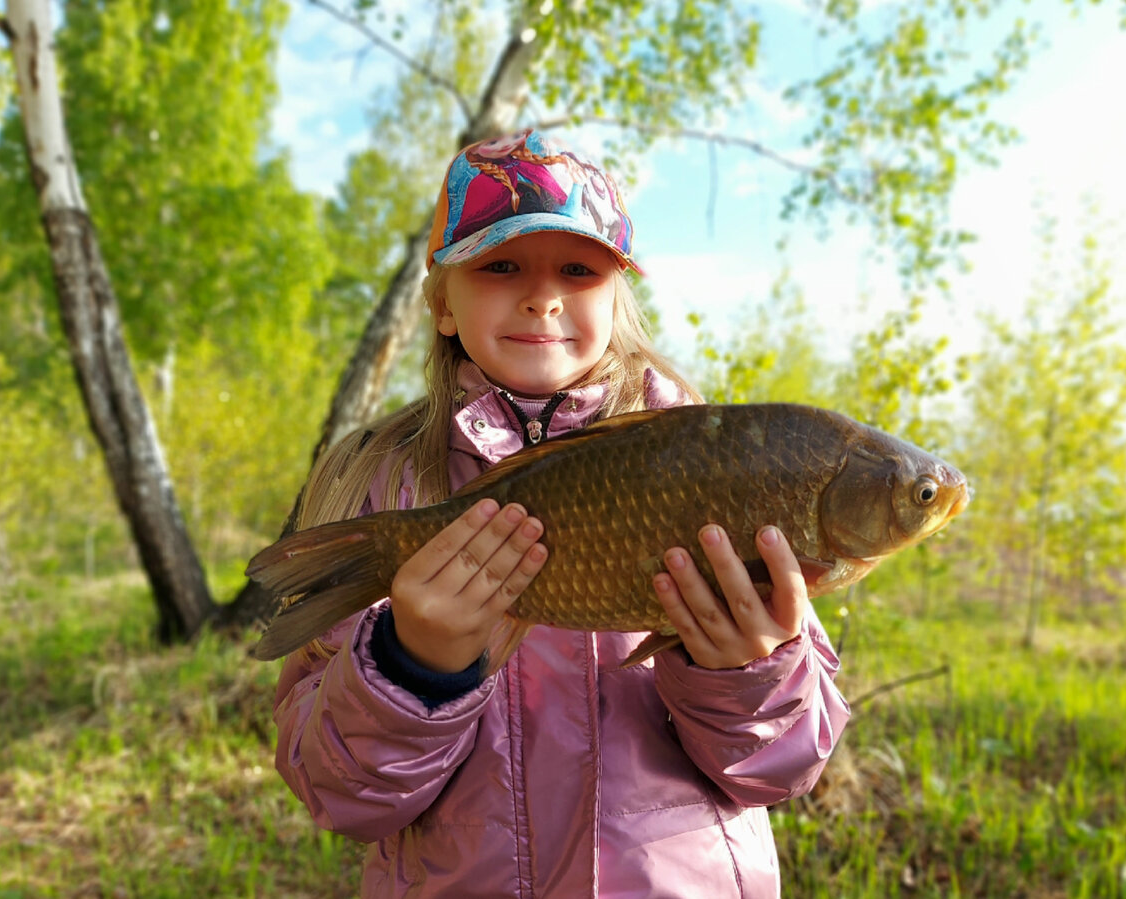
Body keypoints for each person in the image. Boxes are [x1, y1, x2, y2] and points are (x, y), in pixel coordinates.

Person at [271, 128, 850, 898]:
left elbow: (786, 765)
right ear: (443, 301)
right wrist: (414, 665)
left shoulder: (718, 457)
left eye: (579, 269)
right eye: (500, 264)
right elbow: (341, 794)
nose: (543, 295)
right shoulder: (381, 484)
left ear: (617, 297)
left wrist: (751, 668)